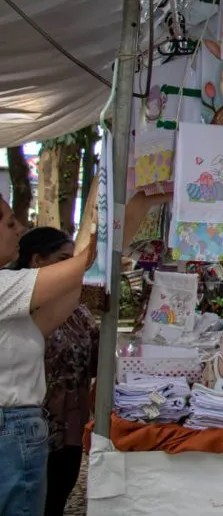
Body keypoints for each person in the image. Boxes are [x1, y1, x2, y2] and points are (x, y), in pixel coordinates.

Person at [0, 195, 95, 516]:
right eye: (9, 223)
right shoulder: (5, 287)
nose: (19, 229)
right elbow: (87, 261)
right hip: (13, 430)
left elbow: (77, 280)